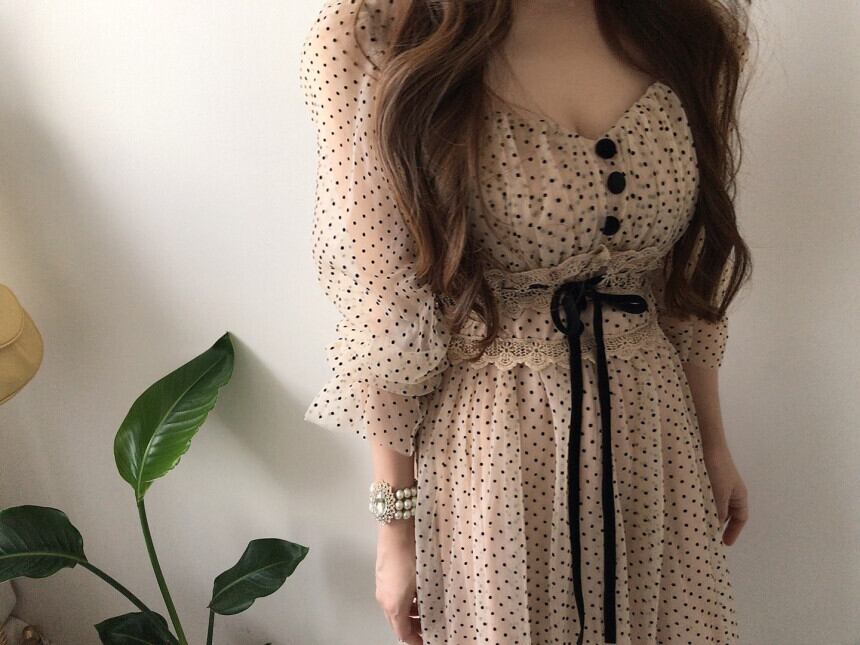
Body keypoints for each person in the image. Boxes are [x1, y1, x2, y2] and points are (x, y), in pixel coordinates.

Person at [299, 1, 753, 643]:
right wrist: (395, 533)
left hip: (654, 441)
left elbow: (690, 280)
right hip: (498, 456)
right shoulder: (377, 30)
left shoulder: (687, 27)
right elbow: (385, 313)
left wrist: (713, 444)